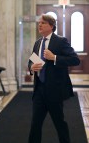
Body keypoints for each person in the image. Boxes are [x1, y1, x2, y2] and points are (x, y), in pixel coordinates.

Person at [28, 14, 80, 143]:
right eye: (39, 23)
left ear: (51, 26)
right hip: (39, 90)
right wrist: (31, 67)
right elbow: (31, 61)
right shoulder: (37, 43)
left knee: (59, 123)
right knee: (35, 124)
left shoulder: (61, 41)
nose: (39, 25)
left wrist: (55, 58)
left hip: (54, 91)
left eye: (43, 23)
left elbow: (75, 60)